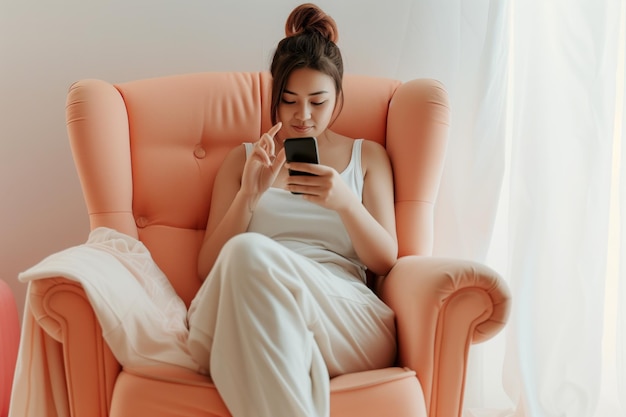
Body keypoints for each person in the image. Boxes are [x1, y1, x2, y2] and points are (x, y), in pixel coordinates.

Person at [187, 3, 397, 417]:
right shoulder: (242, 162)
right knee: (244, 254)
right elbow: (208, 268)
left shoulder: (367, 157)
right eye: (289, 101)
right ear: (275, 100)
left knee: (248, 252)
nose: (303, 117)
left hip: (344, 312)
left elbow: (386, 260)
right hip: (251, 303)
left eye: (318, 102)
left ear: (338, 96)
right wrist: (249, 195)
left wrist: (345, 202)